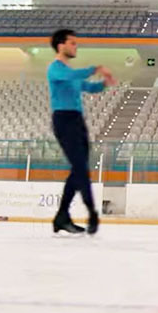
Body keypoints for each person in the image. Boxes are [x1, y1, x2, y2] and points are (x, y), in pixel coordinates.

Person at [48, 29, 115, 235]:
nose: (75, 46)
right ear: (61, 45)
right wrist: (95, 68)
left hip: (77, 121)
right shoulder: (56, 69)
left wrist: (104, 84)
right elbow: (73, 75)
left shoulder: (70, 72)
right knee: (80, 168)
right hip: (63, 120)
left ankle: (61, 216)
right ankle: (92, 213)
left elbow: (89, 87)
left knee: (80, 169)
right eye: (73, 43)